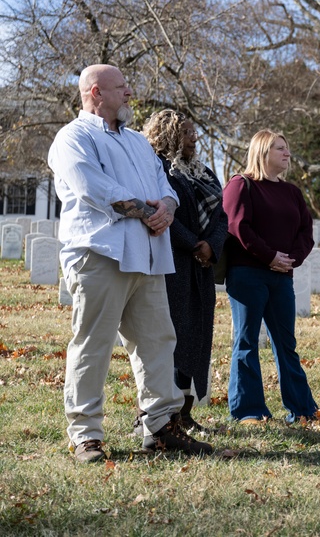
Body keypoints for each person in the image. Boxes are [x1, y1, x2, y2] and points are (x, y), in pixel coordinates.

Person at [48, 64, 213, 463]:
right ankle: (86, 435)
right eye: (121, 87)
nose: (129, 93)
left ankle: (160, 426)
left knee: (158, 343)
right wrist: (146, 212)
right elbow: (95, 190)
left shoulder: (139, 142)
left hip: (148, 256)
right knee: (94, 345)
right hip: (100, 254)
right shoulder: (73, 138)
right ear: (94, 93)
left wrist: (168, 209)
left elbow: (162, 185)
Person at [222, 129, 319, 424]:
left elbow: (305, 232)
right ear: (262, 152)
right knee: (247, 340)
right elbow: (238, 227)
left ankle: (301, 409)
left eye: (286, 148)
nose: (287, 153)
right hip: (248, 274)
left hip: (282, 277)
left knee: (285, 344)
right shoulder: (242, 185)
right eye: (280, 148)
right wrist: (270, 256)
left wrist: (291, 260)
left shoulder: (292, 192)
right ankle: (248, 410)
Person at [143, 110, 228, 432]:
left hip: (201, 268)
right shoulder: (159, 170)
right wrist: (194, 243)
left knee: (198, 338)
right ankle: (169, 414)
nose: (195, 138)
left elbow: (222, 217)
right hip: (173, 265)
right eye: (187, 133)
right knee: (175, 338)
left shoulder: (203, 172)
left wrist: (211, 247)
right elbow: (162, 213)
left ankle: (187, 413)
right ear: (168, 135)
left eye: (194, 133)